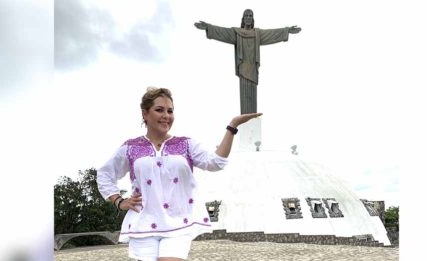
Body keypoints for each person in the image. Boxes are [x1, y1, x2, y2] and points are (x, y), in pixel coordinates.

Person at [96, 87, 262, 261]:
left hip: (178, 222)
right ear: (145, 114)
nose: (166, 115)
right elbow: (105, 174)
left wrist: (232, 127)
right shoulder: (131, 147)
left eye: (170, 111)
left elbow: (216, 162)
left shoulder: (186, 144)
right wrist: (118, 201)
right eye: (159, 110)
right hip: (143, 223)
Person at [194, 9, 301, 114]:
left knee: (252, 97)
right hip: (243, 69)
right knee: (244, 96)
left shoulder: (257, 34)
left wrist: (286, 31)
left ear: (253, 19)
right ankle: (245, 118)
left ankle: (251, 118)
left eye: (250, 16)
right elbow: (223, 32)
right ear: (243, 19)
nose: (248, 18)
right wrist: (208, 27)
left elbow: (272, 34)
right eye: (246, 16)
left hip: (252, 70)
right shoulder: (237, 32)